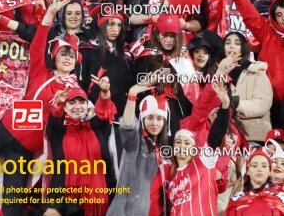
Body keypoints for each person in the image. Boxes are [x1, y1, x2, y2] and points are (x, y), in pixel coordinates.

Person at [0, 0, 80, 214]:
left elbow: (68, 119)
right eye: (63, 53)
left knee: (12, 205)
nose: (67, 57)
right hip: (4, 130)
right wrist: (50, 14)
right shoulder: (40, 72)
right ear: (54, 57)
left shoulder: (75, 91)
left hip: (24, 149)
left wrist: (63, 102)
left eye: (71, 55)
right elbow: (38, 41)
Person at [46, 83, 116, 215]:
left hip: (96, 201)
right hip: (63, 202)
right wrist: (58, 104)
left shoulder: (97, 129)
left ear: (87, 105)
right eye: (72, 103)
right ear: (65, 107)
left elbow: (104, 112)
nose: (77, 107)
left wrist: (105, 93)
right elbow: (54, 119)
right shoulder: (58, 131)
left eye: (82, 102)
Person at [224, 0, 284, 126]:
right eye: (279, 15)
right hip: (268, 104)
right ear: (274, 18)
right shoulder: (267, 34)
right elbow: (250, 15)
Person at [166, 81, 231, 215]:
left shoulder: (202, 162)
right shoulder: (170, 176)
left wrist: (225, 108)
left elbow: (216, 135)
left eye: (187, 143)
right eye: (178, 142)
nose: (182, 146)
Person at [107, 84, 170, 216]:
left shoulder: (166, 149)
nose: (154, 123)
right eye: (150, 118)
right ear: (142, 119)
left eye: (159, 119)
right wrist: (132, 94)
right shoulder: (135, 144)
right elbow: (128, 127)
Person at [220, 31, 273, 145]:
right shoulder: (218, 73)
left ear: (243, 48)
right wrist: (220, 72)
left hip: (253, 137)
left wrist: (236, 103)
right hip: (226, 138)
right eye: (228, 43)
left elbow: (263, 104)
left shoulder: (256, 72)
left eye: (237, 43)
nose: (232, 46)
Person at [226, 149, 284, 215]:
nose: (259, 169)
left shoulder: (281, 198)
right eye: (254, 166)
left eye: (264, 166)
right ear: (247, 171)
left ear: (269, 171)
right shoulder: (236, 200)